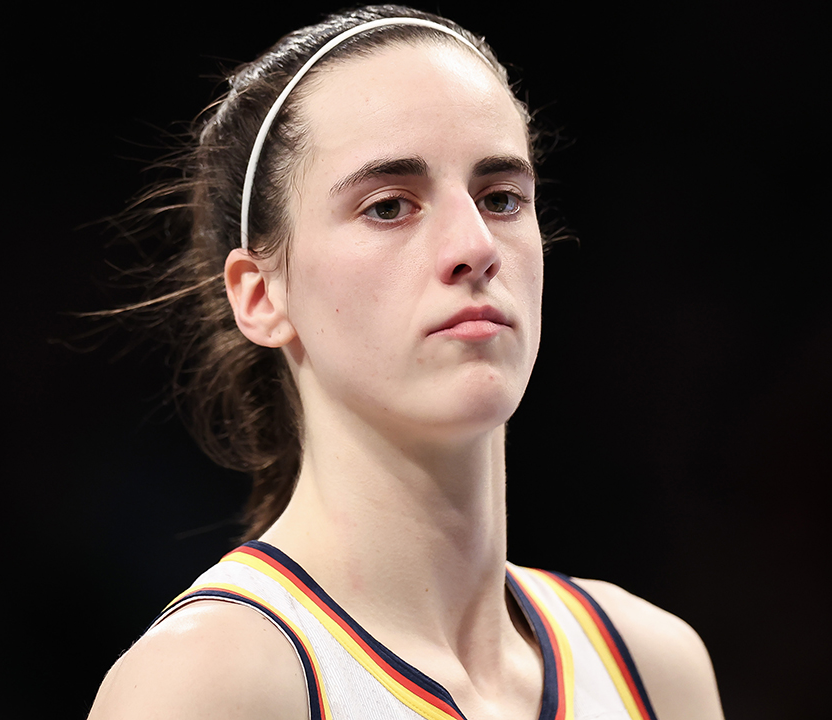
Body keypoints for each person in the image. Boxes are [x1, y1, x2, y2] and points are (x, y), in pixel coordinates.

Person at [89, 5, 724, 719]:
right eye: (390, 206)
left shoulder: (655, 669)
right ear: (261, 294)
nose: (474, 244)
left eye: (502, 197)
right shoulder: (210, 684)